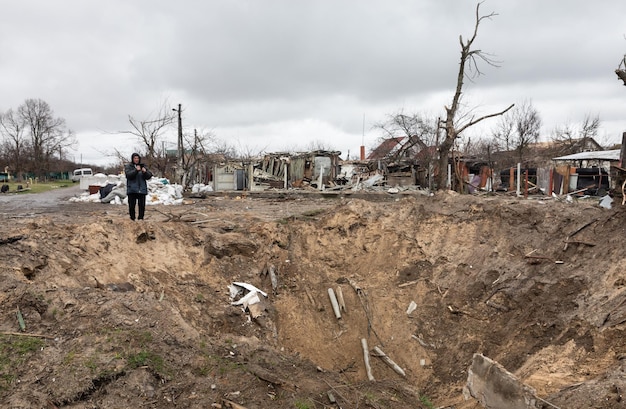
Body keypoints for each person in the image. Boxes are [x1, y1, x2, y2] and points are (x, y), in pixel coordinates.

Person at [124, 153, 152, 220]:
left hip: (141, 189)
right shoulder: (129, 166)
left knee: (142, 206)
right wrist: (136, 170)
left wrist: (145, 172)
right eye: (135, 158)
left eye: (137, 158)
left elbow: (149, 176)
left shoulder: (143, 166)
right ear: (132, 159)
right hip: (132, 189)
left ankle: (141, 218)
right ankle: (132, 219)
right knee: (131, 206)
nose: (136, 160)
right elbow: (128, 175)